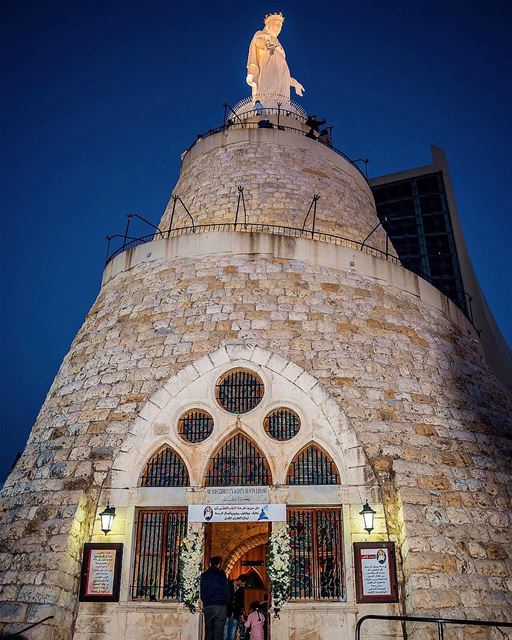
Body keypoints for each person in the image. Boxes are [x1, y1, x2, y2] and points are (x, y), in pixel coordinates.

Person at [246, 13, 304, 102]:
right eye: (276, 25)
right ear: (269, 25)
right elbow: (258, 41)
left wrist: (295, 83)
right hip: (268, 71)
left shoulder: (279, 45)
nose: (278, 28)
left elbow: (284, 73)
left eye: (280, 26)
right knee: (267, 95)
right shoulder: (260, 34)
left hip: (283, 81)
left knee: (283, 101)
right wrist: (266, 44)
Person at [200, 556, 230, 640]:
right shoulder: (222, 575)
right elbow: (226, 591)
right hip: (220, 606)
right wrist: (225, 603)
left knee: (208, 631)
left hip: (208, 606)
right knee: (219, 633)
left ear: (210, 564)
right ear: (219, 564)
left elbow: (202, 591)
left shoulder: (204, 575)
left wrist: (205, 602)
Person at [224, 575, 247, 640]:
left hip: (235, 614)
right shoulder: (227, 584)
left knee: (232, 635)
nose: (243, 586)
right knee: (225, 635)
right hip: (226, 613)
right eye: (243, 584)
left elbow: (241, 603)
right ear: (239, 581)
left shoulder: (241, 589)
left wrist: (241, 614)